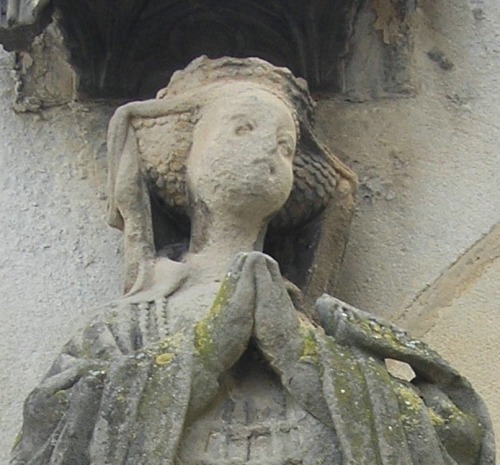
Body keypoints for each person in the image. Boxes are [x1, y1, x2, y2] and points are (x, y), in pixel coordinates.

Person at [11, 57, 494, 465]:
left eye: (285, 145)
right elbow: (49, 429)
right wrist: (204, 352)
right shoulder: (128, 326)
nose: (268, 148)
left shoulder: (321, 334)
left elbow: (457, 437)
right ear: (186, 155)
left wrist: (301, 357)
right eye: (242, 128)